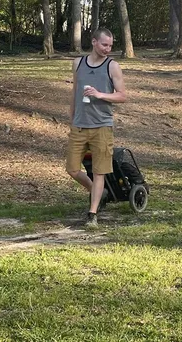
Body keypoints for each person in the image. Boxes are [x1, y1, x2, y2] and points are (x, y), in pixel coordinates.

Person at [66, 28, 126, 227]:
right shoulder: (78, 63)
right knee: (72, 169)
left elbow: (122, 96)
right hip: (79, 126)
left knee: (99, 171)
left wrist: (101, 95)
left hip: (102, 126)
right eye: (104, 44)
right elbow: (75, 91)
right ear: (93, 42)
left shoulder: (112, 66)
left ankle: (93, 214)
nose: (108, 49)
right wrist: (72, 117)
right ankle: (98, 192)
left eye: (110, 45)